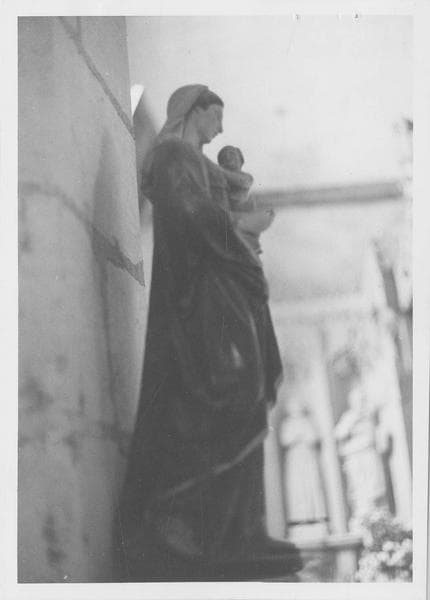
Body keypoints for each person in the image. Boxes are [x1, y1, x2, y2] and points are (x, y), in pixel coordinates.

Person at [116, 84, 302, 582]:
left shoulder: (199, 163)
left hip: (228, 288)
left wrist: (242, 223)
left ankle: (239, 532)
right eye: (215, 116)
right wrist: (242, 226)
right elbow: (189, 215)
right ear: (193, 110)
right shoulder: (173, 156)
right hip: (202, 297)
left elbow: (208, 209)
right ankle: (181, 519)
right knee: (230, 390)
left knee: (250, 391)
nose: (220, 129)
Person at [217, 145, 275, 256]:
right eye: (224, 157)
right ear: (221, 164)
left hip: (243, 220)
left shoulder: (246, 177)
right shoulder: (220, 180)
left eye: (232, 154)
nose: (228, 158)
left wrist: (214, 169)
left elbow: (240, 181)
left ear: (241, 160)